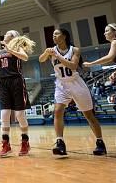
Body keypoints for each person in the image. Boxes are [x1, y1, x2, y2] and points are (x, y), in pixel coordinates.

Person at [39, 28, 107, 156]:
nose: (54, 36)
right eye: (53, 35)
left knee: (89, 115)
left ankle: (100, 142)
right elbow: (41, 59)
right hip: (61, 83)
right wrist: (45, 53)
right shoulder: (52, 50)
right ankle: (60, 143)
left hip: (76, 83)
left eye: (57, 34)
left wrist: (57, 56)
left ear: (64, 36)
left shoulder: (74, 50)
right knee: (57, 111)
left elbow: (73, 66)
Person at [0, 30, 35, 157]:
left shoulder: (17, 47)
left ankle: (25, 142)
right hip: (3, 83)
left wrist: (10, 49)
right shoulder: (0, 51)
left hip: (16, 81)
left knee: (19, 115)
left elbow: (25, 57)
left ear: (13, 37)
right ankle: (6, 144)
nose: (5, 34)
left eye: (8, 33)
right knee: (4, 114)